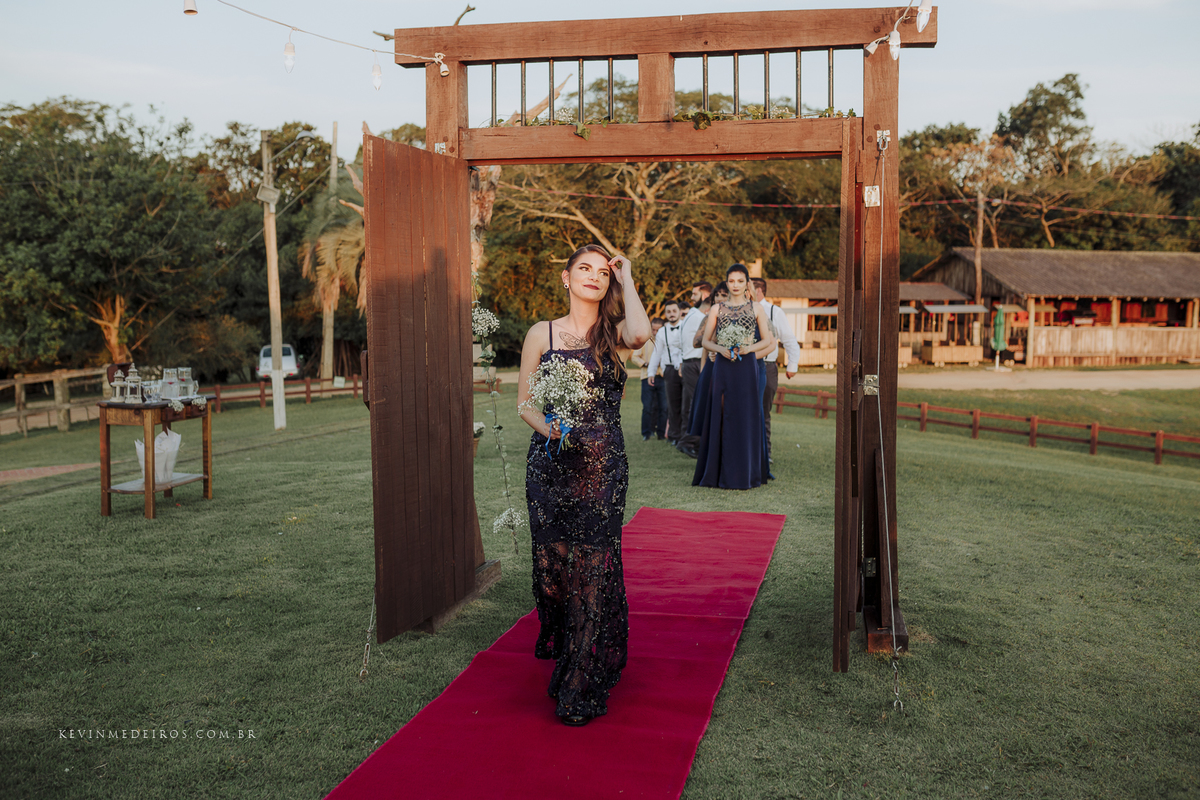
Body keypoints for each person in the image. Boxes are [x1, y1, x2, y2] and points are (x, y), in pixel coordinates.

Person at [517, 243, 651, 726]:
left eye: (602, 272)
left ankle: (579, 679)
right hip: (549, 469)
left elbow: (641, 332)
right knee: (554, 574)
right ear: (566, 278)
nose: (594, 277)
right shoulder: (541, 333)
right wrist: (549, 428)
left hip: (602, 471)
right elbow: (525, 403)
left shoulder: (612, 333)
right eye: (584, 269)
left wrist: (628, 275)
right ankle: (568, 649)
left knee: (592, 571)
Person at [692, 265, 775, 490]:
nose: (735, 285)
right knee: (721, 413)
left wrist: (748, 349)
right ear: (726, 283)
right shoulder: (717, 309)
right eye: (731, 281)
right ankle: (718, 472)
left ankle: (746, 472)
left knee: (746, 415)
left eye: (740, 281)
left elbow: (768, 340)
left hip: (747, 365)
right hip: (723, 365)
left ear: (747, 283)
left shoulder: (756, 308)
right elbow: (705, 341)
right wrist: (720, 349)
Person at [752, 277, 801, 463]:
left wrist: (792, 365)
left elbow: (789, 339)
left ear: (758, 291)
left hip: (767, 366)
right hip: (744, 367)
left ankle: (765, 454)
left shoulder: (774, 311)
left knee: (763, 412)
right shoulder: (742, 310)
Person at [675, 282, 713, 458]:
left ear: (704, 295)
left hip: (690, 363)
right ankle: (689, 442)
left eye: (694, 294)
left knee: (689, 404)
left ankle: (686, 440)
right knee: (697, 403)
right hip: (696, 362)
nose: (691, 298)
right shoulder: (699, 317)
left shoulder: (691, 314)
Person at [646, 300, 685, 443]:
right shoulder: (662, 331)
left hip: (685, 368)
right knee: (672, 404)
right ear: (665, 314)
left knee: (686, 404)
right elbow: (657, 352)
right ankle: (674, 436)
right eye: (668, 312)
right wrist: (651, 372)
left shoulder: (685, 327)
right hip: (669, 370)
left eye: (674, 311)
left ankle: (686, 435)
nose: (672, 314)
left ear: (679, 312)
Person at [633, 317, 667, 440]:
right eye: (653, 329)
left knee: (663, 407)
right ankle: (646, 433)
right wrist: (646, 364)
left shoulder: (666, 340)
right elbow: (635, 357)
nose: (655, 332)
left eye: (658, 330)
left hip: (663, 376)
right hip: (646, 376)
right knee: (647, 406)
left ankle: (661, 433)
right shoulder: (645, 341)